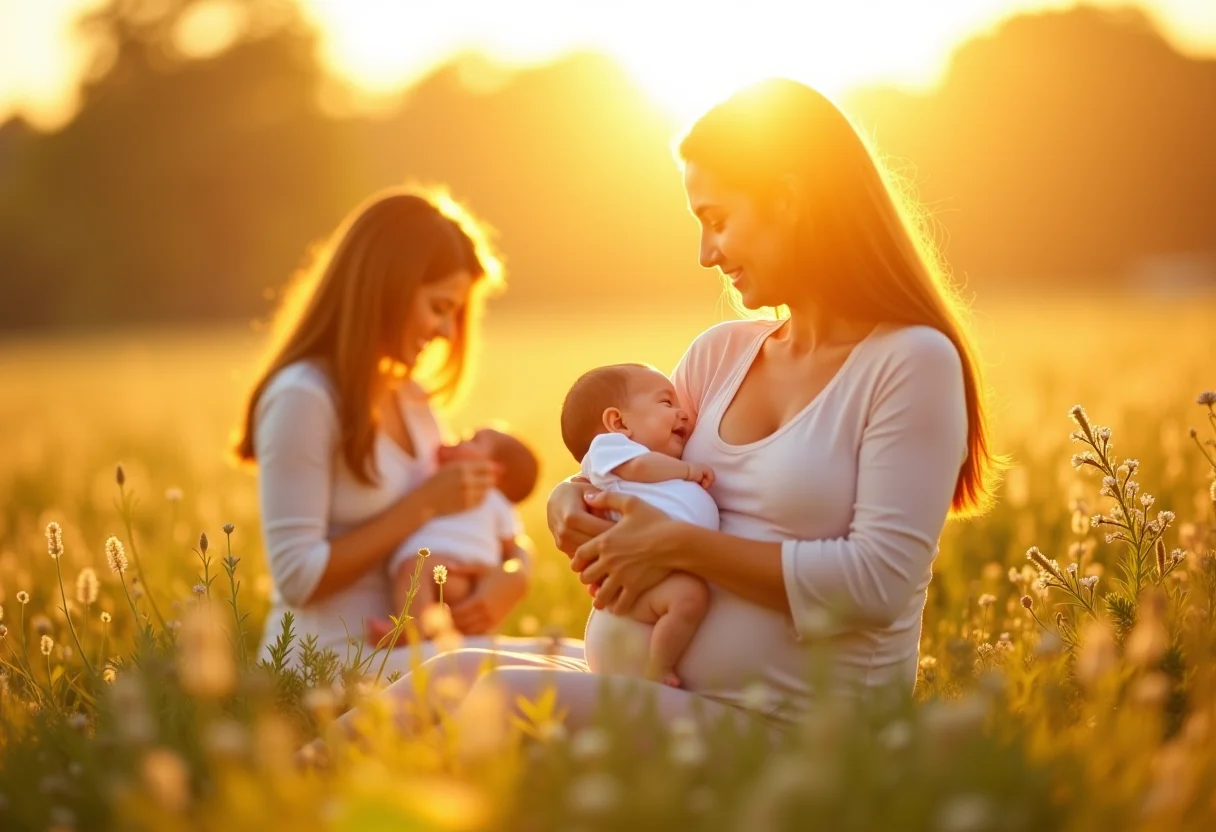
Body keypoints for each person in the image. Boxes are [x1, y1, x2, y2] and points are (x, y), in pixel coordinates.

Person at [323, 78, 1000, 742]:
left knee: (495, 697)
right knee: (454, 670)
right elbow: (628, 458)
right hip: (669, 692)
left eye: (718, 220)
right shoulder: (720, 356)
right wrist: (569, 497)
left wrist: (682, 546)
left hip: (800, 734)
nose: (707, 253)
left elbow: (877, 584)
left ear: (790, 200)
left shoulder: (911, 361)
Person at [234, 187, 582, 677]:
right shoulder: (305, 397)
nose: (445, 332)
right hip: (333, 660)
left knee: (594, 660)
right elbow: (297, 577)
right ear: (387, 289)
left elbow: (477, 517)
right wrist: (424, 504)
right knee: (549, 677)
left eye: (454, 315)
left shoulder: (412, 400)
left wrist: (514, 574)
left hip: (421, 648)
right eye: (439, 308)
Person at [561, 362, 718, 687]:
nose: (683, 413)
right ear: (617, 422)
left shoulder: (656, 462)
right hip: (643, 577)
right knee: (689, 598)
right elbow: (638, 468)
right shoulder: (611, 449)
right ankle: (655, 669)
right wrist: (688, 471)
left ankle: (656, 665)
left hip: (659, 570)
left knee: (690, 598)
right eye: (667, 403)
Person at [365, 428, 539, 648]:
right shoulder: (439, 483)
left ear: (494, 470)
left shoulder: (496, 502)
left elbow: (511, 545)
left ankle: (412, 629)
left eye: (473, 440)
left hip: (461, 573)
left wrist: (515, 572)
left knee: (415, 568)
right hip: (456, 577)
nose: (460, 439)